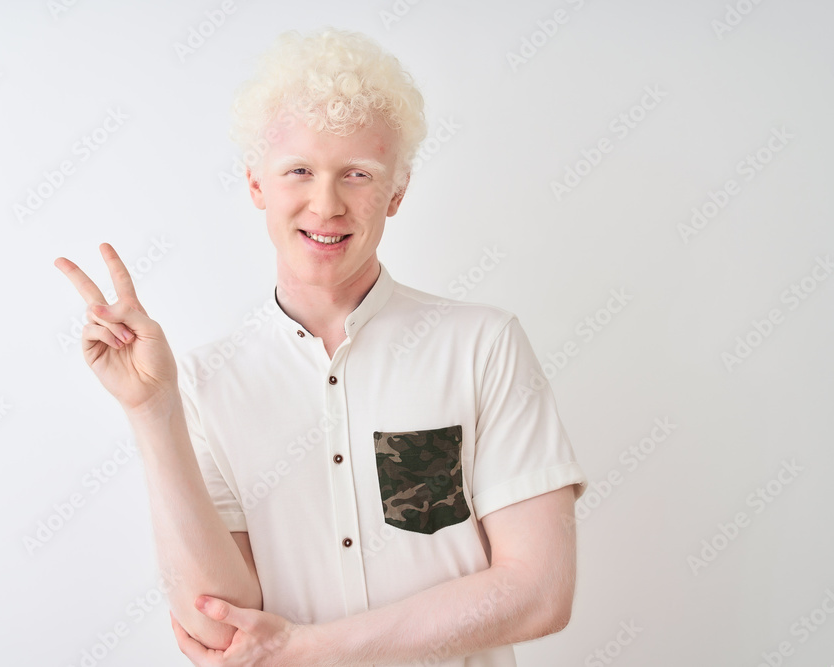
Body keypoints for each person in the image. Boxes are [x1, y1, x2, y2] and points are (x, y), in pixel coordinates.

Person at [55, 27, 588, 667]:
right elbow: (219, 630)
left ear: (396, 192)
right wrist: (151, 413)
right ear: (257, 184)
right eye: (299, 171)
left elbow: (540, 592)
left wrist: (307, 650)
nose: (326, 203)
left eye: (357, 174)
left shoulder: (482, 346)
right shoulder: (201, 384)